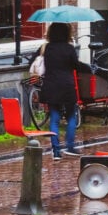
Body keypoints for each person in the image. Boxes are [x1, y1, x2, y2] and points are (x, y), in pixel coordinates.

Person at [37, 22, 85, 160]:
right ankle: (70, 147)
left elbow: (33, 61)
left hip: (51, 86)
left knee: (54, 119)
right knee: (71, 116)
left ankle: (56, 151)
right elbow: (76, 65)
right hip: (66, 85)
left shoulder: (46, 48)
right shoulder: (69, 48)